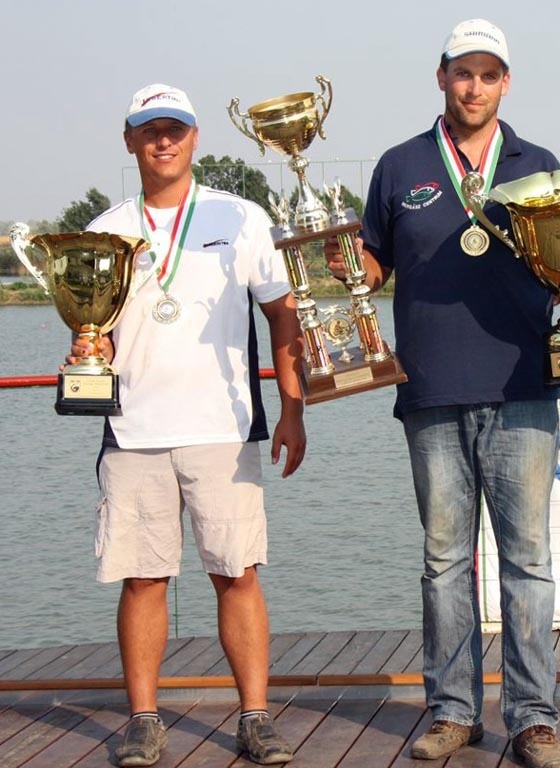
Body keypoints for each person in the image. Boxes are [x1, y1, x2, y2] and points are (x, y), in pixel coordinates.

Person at [324, 19, 560, 768]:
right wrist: (347, 261)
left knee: (528, 562)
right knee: (445, 561)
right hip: (431, 387)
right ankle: (451, 711)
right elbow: (372, 270)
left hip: (523, 386)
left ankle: (533, 718)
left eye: (487, 74)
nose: (473, 87)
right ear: (440, 77)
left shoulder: (537, 164)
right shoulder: (398, 164)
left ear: (505, 82)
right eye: (460, 73)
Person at [68, 84, 306, 767]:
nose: (163, 141)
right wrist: (86, 350)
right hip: (133, 429)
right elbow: (97, 328)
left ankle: (255, 716)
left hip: (223, 429)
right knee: (142, 580)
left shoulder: (241, 218)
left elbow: (283, 315)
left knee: (237, 574)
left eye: (175, 129)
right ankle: (143, 719)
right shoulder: (107, 229)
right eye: (150, 130)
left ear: (196, 138)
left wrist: (292, 409)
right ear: (129, 140)